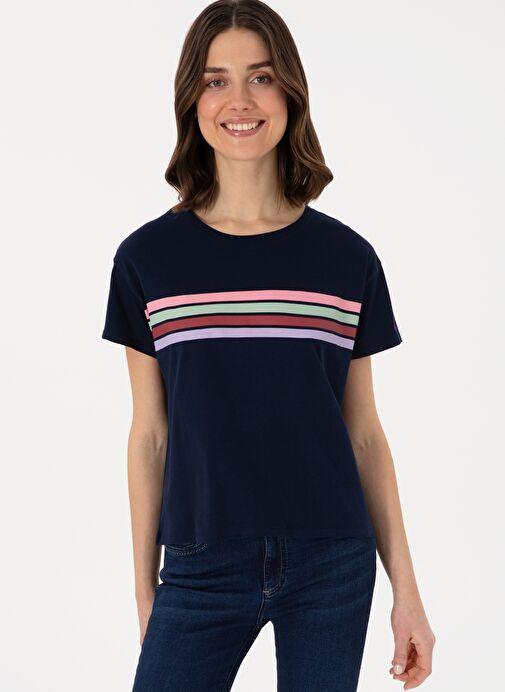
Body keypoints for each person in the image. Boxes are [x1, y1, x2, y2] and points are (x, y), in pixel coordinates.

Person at [101, 1, 436, 690]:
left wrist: (407, 592)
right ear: (192, 99)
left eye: (260, 77)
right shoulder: (147, 260)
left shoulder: (346, 259)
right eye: (216, 80)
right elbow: (150, 436)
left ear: (290, 92)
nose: (240, 101)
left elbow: (363, 435)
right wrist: (144, 590)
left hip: (332, 563)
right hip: (198, 563)